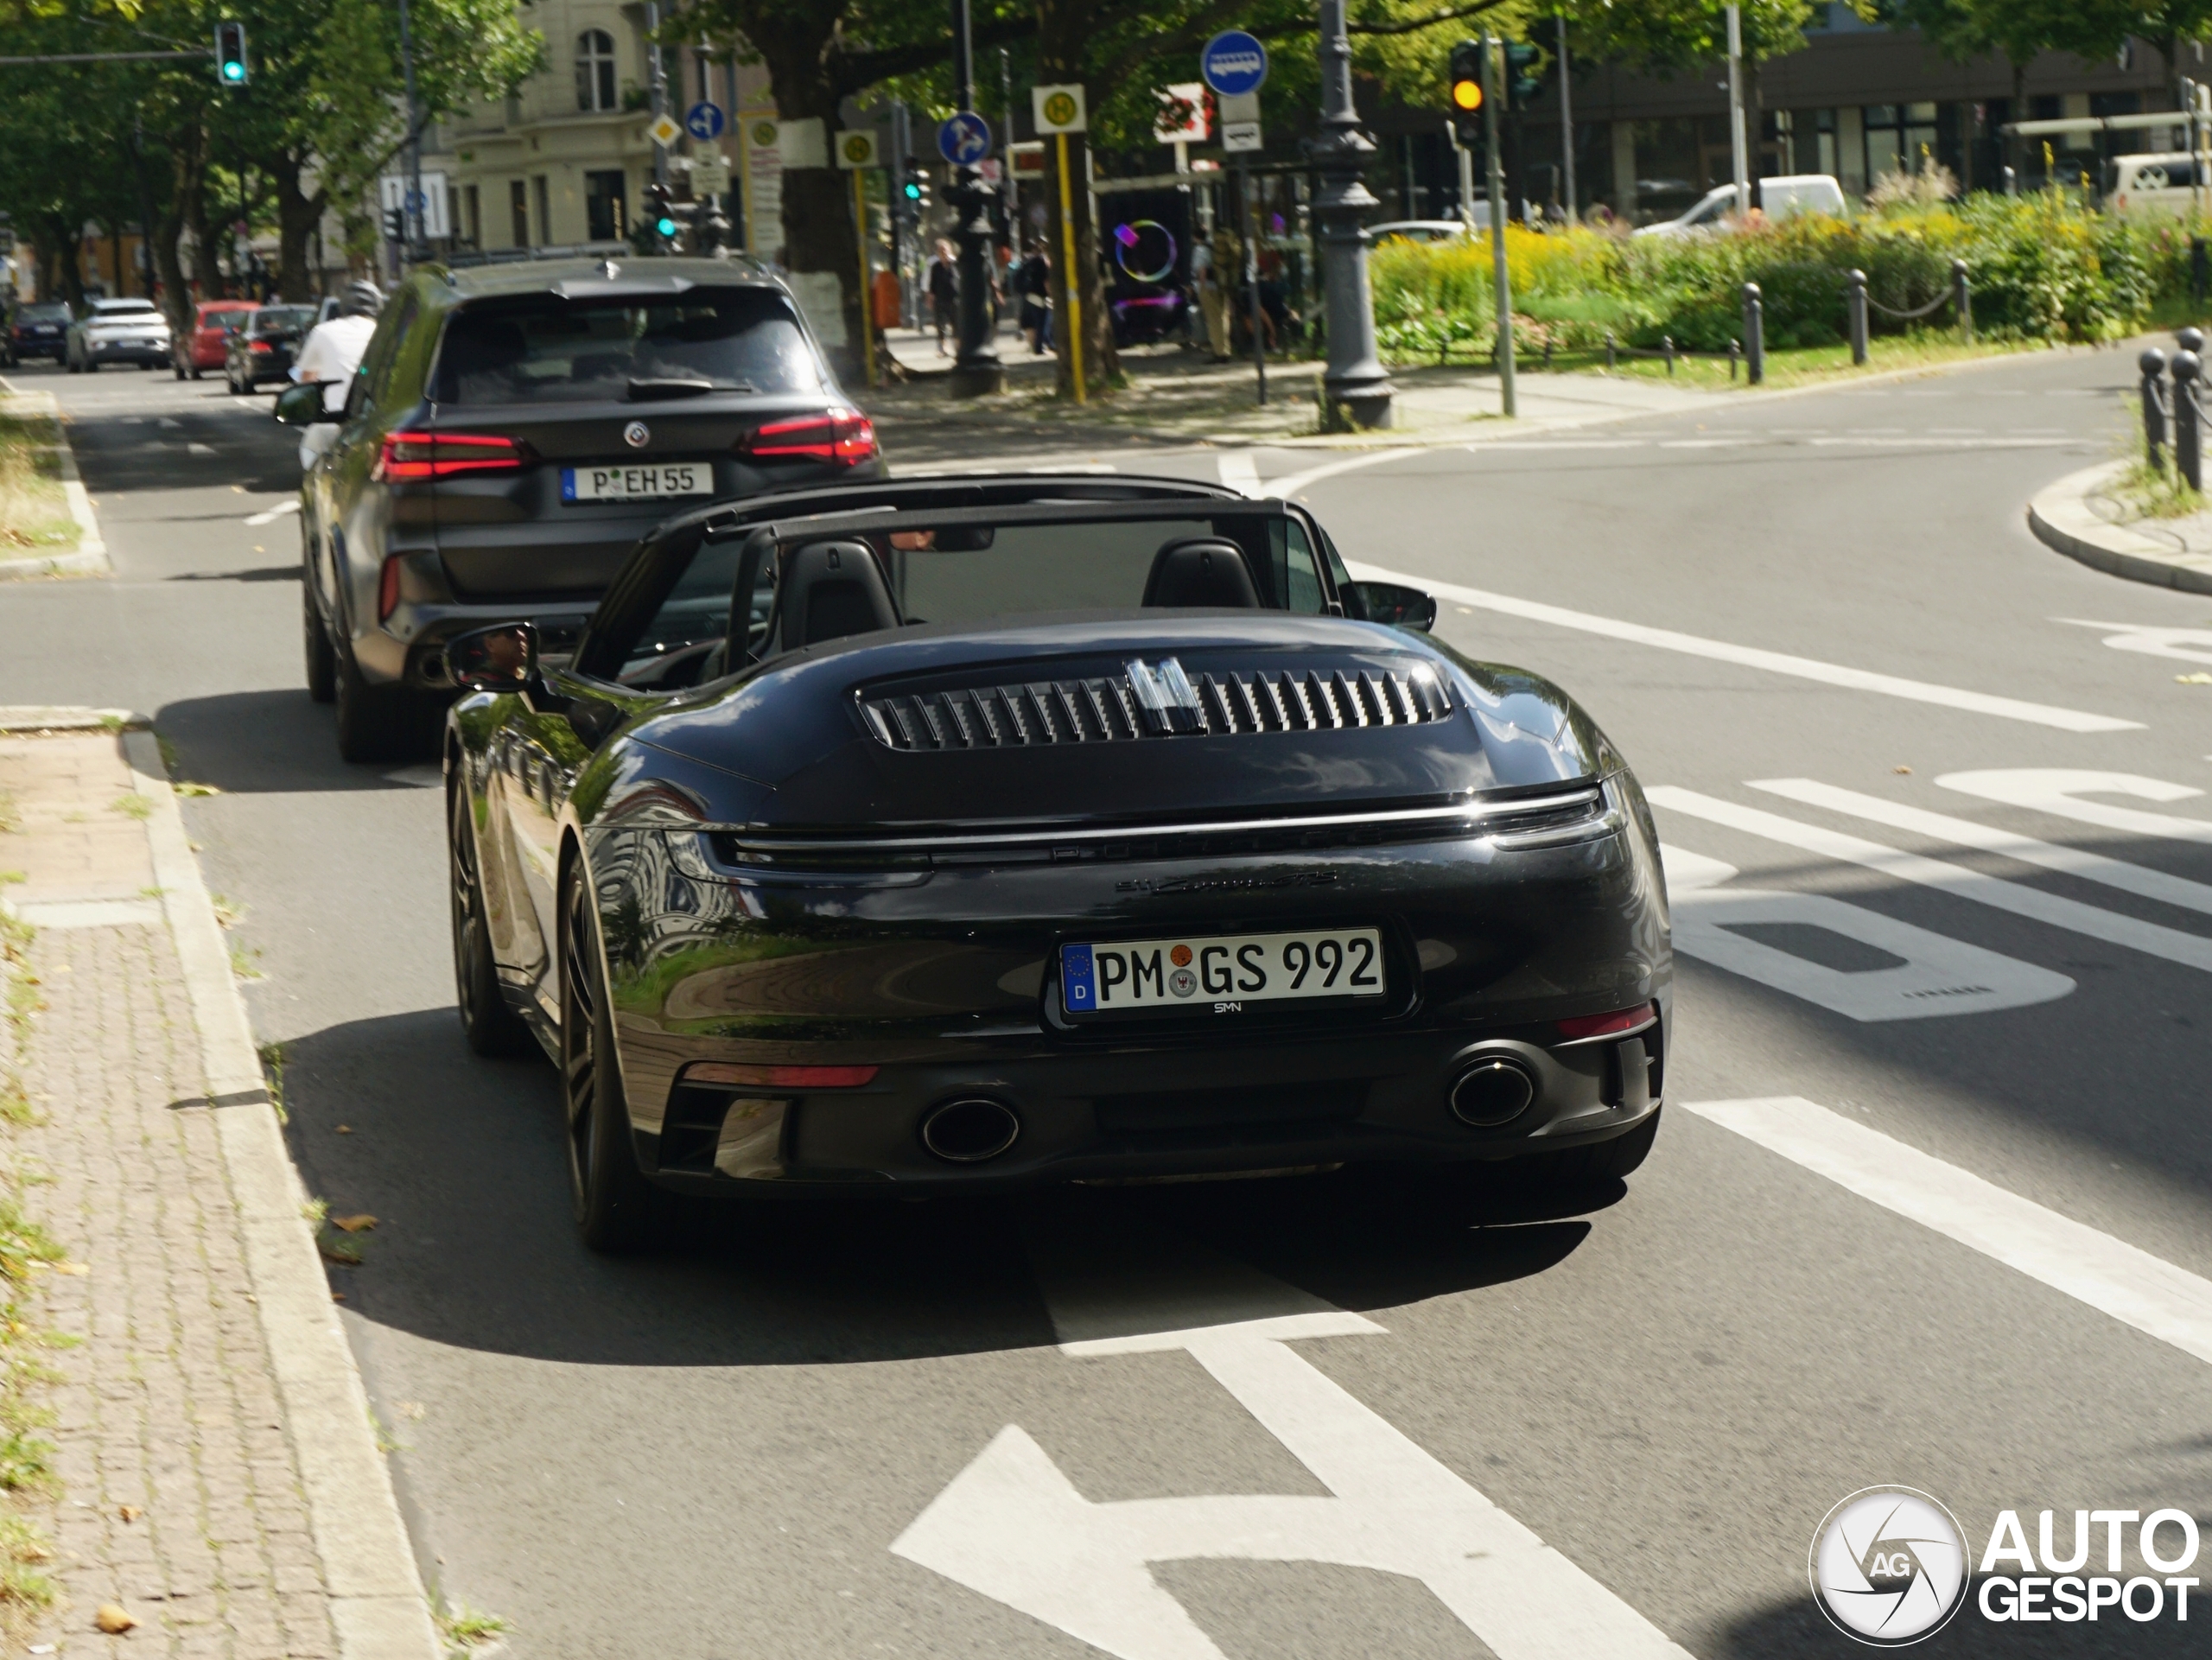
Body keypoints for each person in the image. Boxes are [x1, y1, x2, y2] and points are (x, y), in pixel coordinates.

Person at [291, 279, 383, 470]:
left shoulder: (323, 332)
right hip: (379, 423)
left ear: (344, 306)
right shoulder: (385, 334)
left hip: (336, 422)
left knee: (311, 448)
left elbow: (306, 379)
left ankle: (317, 488)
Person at [1017, 240, 1052, 355]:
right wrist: (1050, 294)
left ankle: (1036, 346)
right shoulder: (1043, 262)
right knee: (1042, 322)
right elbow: (1046, 280)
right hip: (1040, 295)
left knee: (1035, 322)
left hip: (1029, 294)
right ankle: (1039, 347)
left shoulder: (1029, 262)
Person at [925, 239, 958, 355]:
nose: (943, 252)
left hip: (955, 299)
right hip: (940, 299)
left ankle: (958, 347)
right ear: (938, 252)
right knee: (940, 324)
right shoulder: (936, 267)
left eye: (945, 250)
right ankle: (943, 348)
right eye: (941, 250)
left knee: (957, 324)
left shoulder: (955, 265)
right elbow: (932, 285)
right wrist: (929, 299)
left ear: (950, 251)